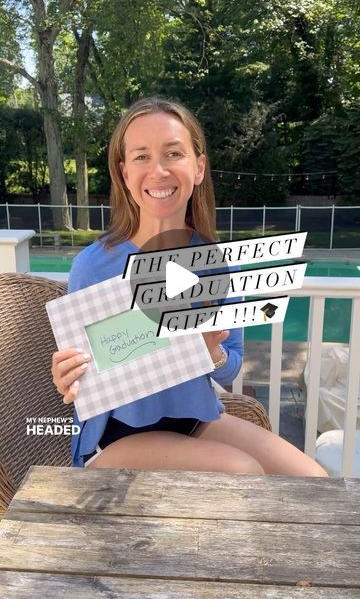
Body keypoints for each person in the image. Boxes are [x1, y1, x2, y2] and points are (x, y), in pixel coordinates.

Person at [52, 96, 327, 477]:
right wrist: (68, 377)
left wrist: (208, 352)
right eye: (142, 156)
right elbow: (82, 376)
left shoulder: (218, 263)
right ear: (124, 172)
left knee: (312, 480)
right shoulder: (92, 267)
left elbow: (228, 370)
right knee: (242, 470)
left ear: (198, 167)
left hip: (195, 419)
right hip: (116, 439)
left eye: (173, 153)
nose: (158, 170)